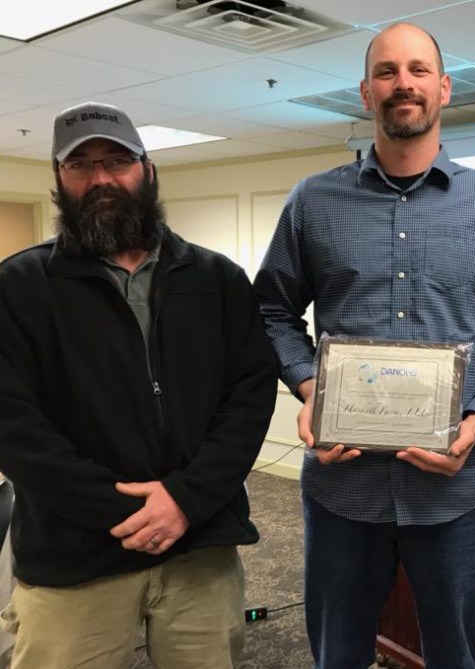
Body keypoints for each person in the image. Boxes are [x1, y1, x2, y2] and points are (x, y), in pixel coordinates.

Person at [254, 22, 475, 669]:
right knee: (337, 656)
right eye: (386, 71)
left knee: (455, 655)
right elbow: (270, 309)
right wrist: (309, 386)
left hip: (457, 492)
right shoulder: (314, 202)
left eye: (417, 70)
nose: (402, 83)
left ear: (443, 88)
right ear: (365, 92)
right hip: (342, 490)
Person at [0, 101, 278, 669]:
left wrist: (185, 499)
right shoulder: (19, 287)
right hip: (74, 556)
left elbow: (248, 397)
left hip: (200, 547)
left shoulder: (217, 279)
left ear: (148, 171)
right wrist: (119, 510)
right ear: (58, 180)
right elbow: (12, 425)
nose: (101, 179)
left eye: (117, 161)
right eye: (81, 166)